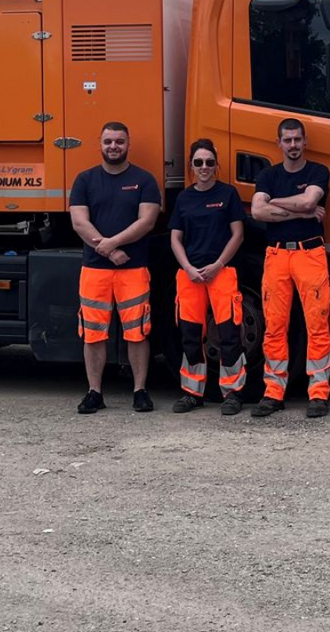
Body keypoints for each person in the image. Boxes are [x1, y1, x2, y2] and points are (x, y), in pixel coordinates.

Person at [69, 121, 161, 414]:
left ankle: (140, 391)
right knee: (93, 333)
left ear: (128, 144)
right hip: (95, 269)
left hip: (133, 268)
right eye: (108, 141)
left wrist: (112, 245)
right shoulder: (85, 180)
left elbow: (147, 221)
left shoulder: (144, 180)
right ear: (100, 143)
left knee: (138, 331)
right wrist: (108, 251)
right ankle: (94, 392)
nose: (113, 147)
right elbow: (79, 222)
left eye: (119, 141)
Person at [249, 118, 330, 418]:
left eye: (297, 139)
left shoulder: (318, 172)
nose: (293, 145)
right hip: (276, 257)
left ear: (305, 141)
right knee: (274, 326)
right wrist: (300, 211)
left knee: (317, 324)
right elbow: (257, 210)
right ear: (279, 143)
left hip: (310, 253)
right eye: (288, 140)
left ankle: (319, 393)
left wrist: (278, 203)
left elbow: (311, 200)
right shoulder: (268, 175)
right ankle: (273, 392)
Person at [168, 139, 248, 416]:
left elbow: (238, 234)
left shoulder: (228, 194)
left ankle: (233, 393)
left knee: (229, 334)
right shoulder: (184, 198)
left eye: (209, 162)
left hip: (222, 273)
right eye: (199, 162)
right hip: (189, 275)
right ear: (191, 166)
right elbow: (175, 238)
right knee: (190, 335)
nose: (204, 167)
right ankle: (192, 393)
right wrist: (188, 268)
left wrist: (218, 264)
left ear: (217, 166)